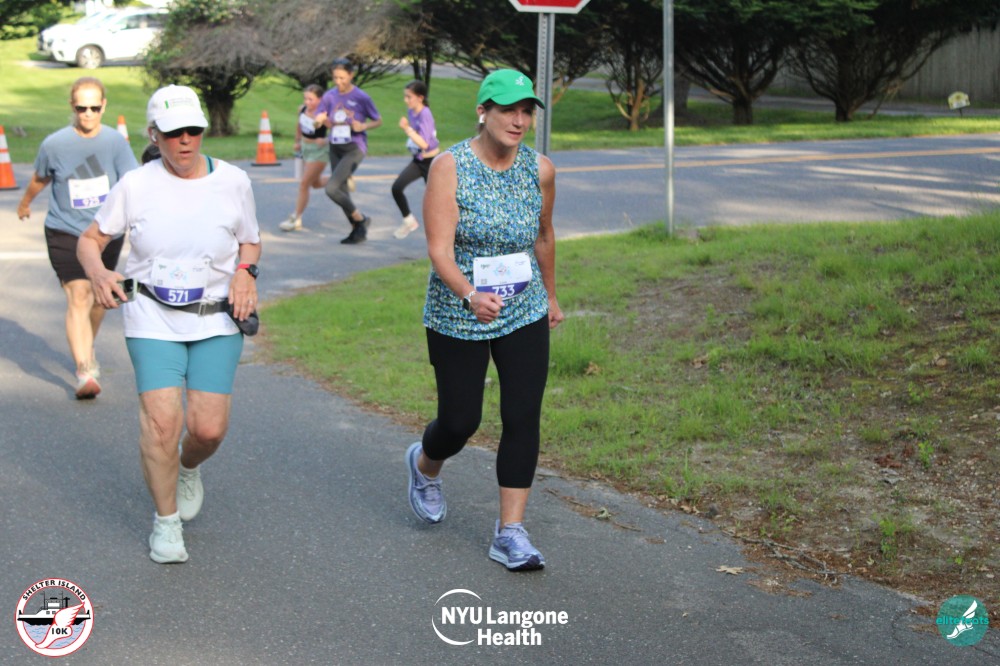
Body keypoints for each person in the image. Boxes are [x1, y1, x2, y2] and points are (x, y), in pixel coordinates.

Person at [77, 85, 262, 564]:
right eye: (174, 132)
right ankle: (166, 523)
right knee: (162, 423)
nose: (185, 140)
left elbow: (250, 240)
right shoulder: (135, 185)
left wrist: (245, 272)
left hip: (215, 318)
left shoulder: (234, 181)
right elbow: (90, 239)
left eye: (193, 131)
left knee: (208, 430)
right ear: (153, 135)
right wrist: (99, 273)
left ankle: (187, 467)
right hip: (152, 317)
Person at [406, 70, 564, 571]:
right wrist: (471, 294)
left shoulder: (540, 169)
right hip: (459, 309)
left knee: (522, 415)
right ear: (483, 111)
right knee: (461, 421)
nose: (518, 120)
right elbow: (439, 248)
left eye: (526, 111)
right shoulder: (449, 167)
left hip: (523, 306)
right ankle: (425, 465)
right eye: (507, 110)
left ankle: (510, 532)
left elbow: (543, 236)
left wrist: (551, 296)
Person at [17, 77, 138, 399]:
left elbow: (132, 182)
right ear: (72, 106)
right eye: (82, 108)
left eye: (94, 108)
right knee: (79, 295)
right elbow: (40, 179)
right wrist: (25, 203)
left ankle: (87, 347)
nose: (88, 114)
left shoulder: (115, 142)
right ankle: (84, 370)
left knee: (100, 298)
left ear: (104, 106)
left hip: (104, 233)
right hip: (65, 230)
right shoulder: (54, 144)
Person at [314, 57, 382, 245]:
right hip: (335, 147)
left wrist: (363, 126)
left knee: (331, 188)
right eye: (335, 77)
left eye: (342, 78)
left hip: (354, 147)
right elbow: (321, 121)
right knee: (342, 190)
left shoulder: (361, 97)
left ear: (351, 75)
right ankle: (357, 230)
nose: (338, 82)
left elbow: (378, 120)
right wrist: (320, 121)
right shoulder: (329, 96)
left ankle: (361, 219)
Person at [391, 80, 440, 239]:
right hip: (418, 160)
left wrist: (407, 129)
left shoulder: (426, 114)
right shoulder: (412, 111)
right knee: (397, 188)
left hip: (431, 163)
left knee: (436, 204)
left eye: (409, 97)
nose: (405, 100)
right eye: (405, 96)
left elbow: (424, 144)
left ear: (420, 97)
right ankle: (409, 221)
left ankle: (450, 236)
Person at [279, 84, 329, 232]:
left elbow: (339, 130)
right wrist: (297, 141)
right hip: (305, 148)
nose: (307, 102)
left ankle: (296, 218)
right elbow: (299, 126)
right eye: (305, 98)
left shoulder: (323, 115)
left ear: (320, 99)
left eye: (311, 99)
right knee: (316, 183)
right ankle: (341, 179)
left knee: (304, 184)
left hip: (319, 151)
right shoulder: (302, 109)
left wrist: (326, 140)